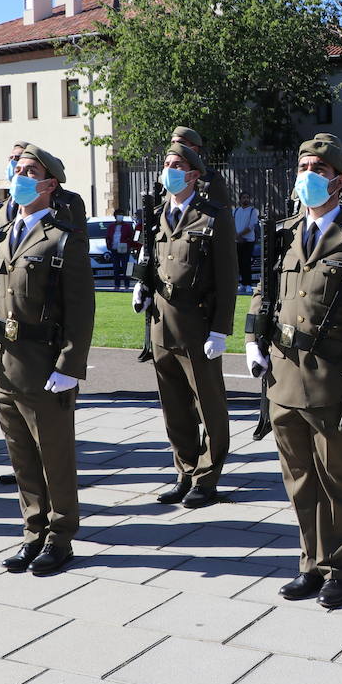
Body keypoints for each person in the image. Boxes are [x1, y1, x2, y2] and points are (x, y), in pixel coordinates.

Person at [245, 137, 342, 609]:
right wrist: (252, 341)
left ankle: (341, 569)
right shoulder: (284, 233)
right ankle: (311, 561)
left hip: (334, 380)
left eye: (319, 167)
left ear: (338, 178)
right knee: (299, 480)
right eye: (303, 164)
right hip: (283, 379)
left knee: (338, 480)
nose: (307, 173)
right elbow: (261, 293)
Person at [0, 145, 95, 576]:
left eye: (29, 171)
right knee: (20, 455)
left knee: (54, 455)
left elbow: (81, 309)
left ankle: (60, 537)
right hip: (4, 362)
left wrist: (70, 366)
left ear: (49, 184)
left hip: (44, 362)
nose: (19, 176)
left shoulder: (62, 237)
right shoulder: (0, 235)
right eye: (17, 169)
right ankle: (32, 532)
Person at [133, 142, 237, 508]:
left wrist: (220, 329)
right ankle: (185, 469)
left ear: (194, 174)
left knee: (209, 404)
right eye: (166, 164)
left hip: (197, 323)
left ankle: (207, 477)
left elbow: (227, 278)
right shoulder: (160, 213)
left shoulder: (212, 216)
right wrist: (142, 286)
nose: (169, 170)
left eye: (177, 165)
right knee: (174, 405)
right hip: (162, 323)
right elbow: (153, 262)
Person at [0, 141, 88, 231]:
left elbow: (76, 238)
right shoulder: (1, 206)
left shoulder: (68, 201)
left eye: (17, 158)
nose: (13, 162)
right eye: (10, 158)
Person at [168, 127, 234, 209]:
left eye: (180, 143)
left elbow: (223, 213)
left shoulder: (211, 178)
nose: (175, 147)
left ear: (194, 149)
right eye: (172, 143)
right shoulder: (169, 176)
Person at [233, 191, 259, 293]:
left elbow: (251, 226)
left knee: (246, 262)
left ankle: (248, 284)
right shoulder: (235, 211)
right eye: (243, 198)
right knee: (238, 263)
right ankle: (241, 284)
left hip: (248, 241)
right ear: (240, 199)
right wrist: (236, 236)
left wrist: (239, 235)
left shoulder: (253, 211)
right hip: (237, 241)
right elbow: (232, 223)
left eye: (247, 197)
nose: (245, 199)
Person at [105, 211, 134, 289]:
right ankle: (117, 285)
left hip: (124, 248)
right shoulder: (111, 226)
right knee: (116, 268)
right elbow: (108, 237)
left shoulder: (127, 226)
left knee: (125, 267)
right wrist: (109, 245)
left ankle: (126, 285)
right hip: (114, 249)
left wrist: (128, 244)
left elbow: (131, 236)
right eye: (118, 215)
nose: (120, 216)